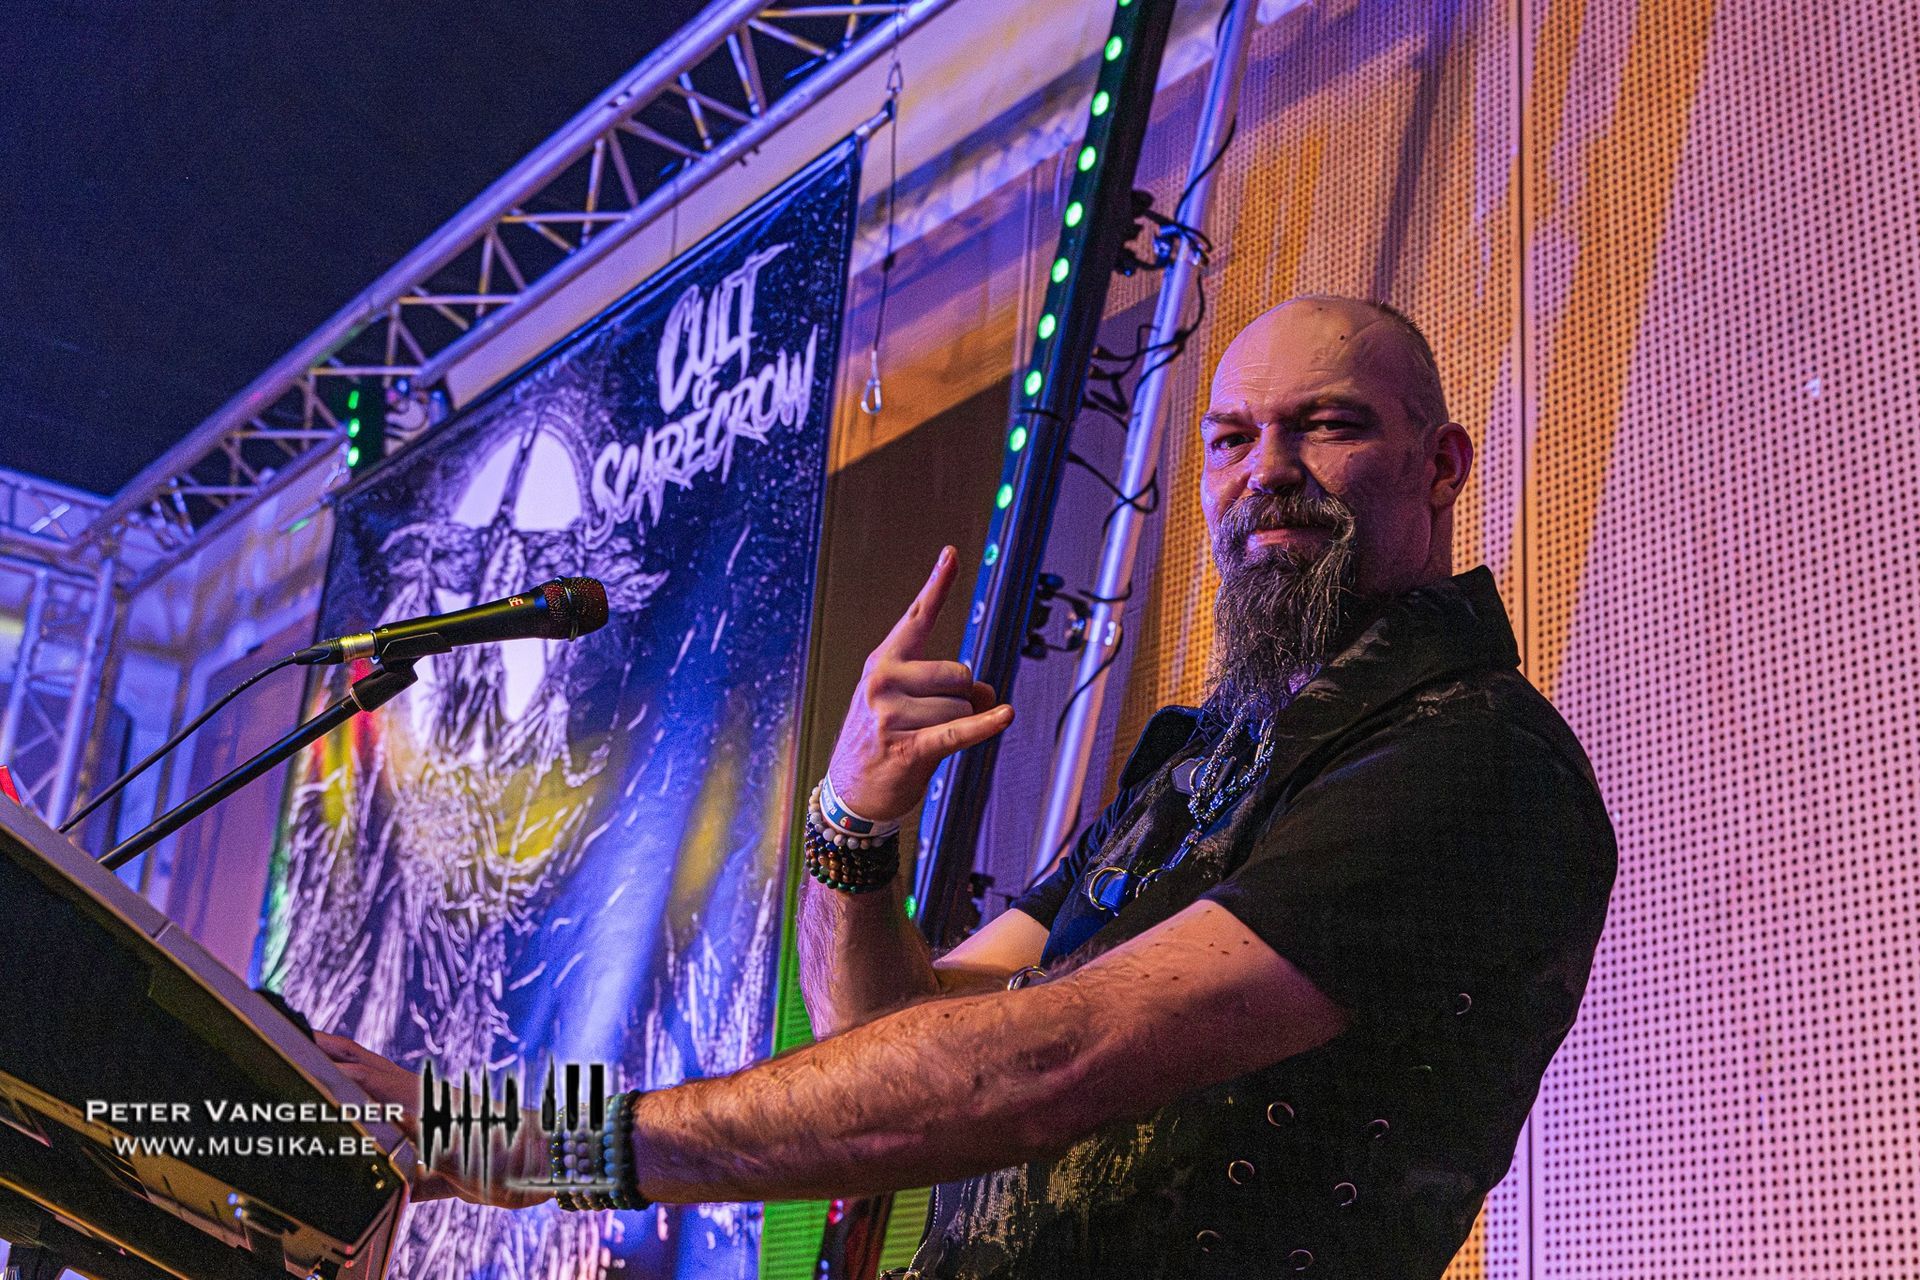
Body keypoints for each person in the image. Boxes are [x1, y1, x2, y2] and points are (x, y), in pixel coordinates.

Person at [322, 295, 1616, 1278]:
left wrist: (521, 1141)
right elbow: (887, 1026)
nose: (1265, 467)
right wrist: (854, 820)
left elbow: (1049, 1062)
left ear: (1441, 464)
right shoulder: (1198, 757)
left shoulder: (1471, 755)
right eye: (1231, 436)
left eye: (1327, 425)